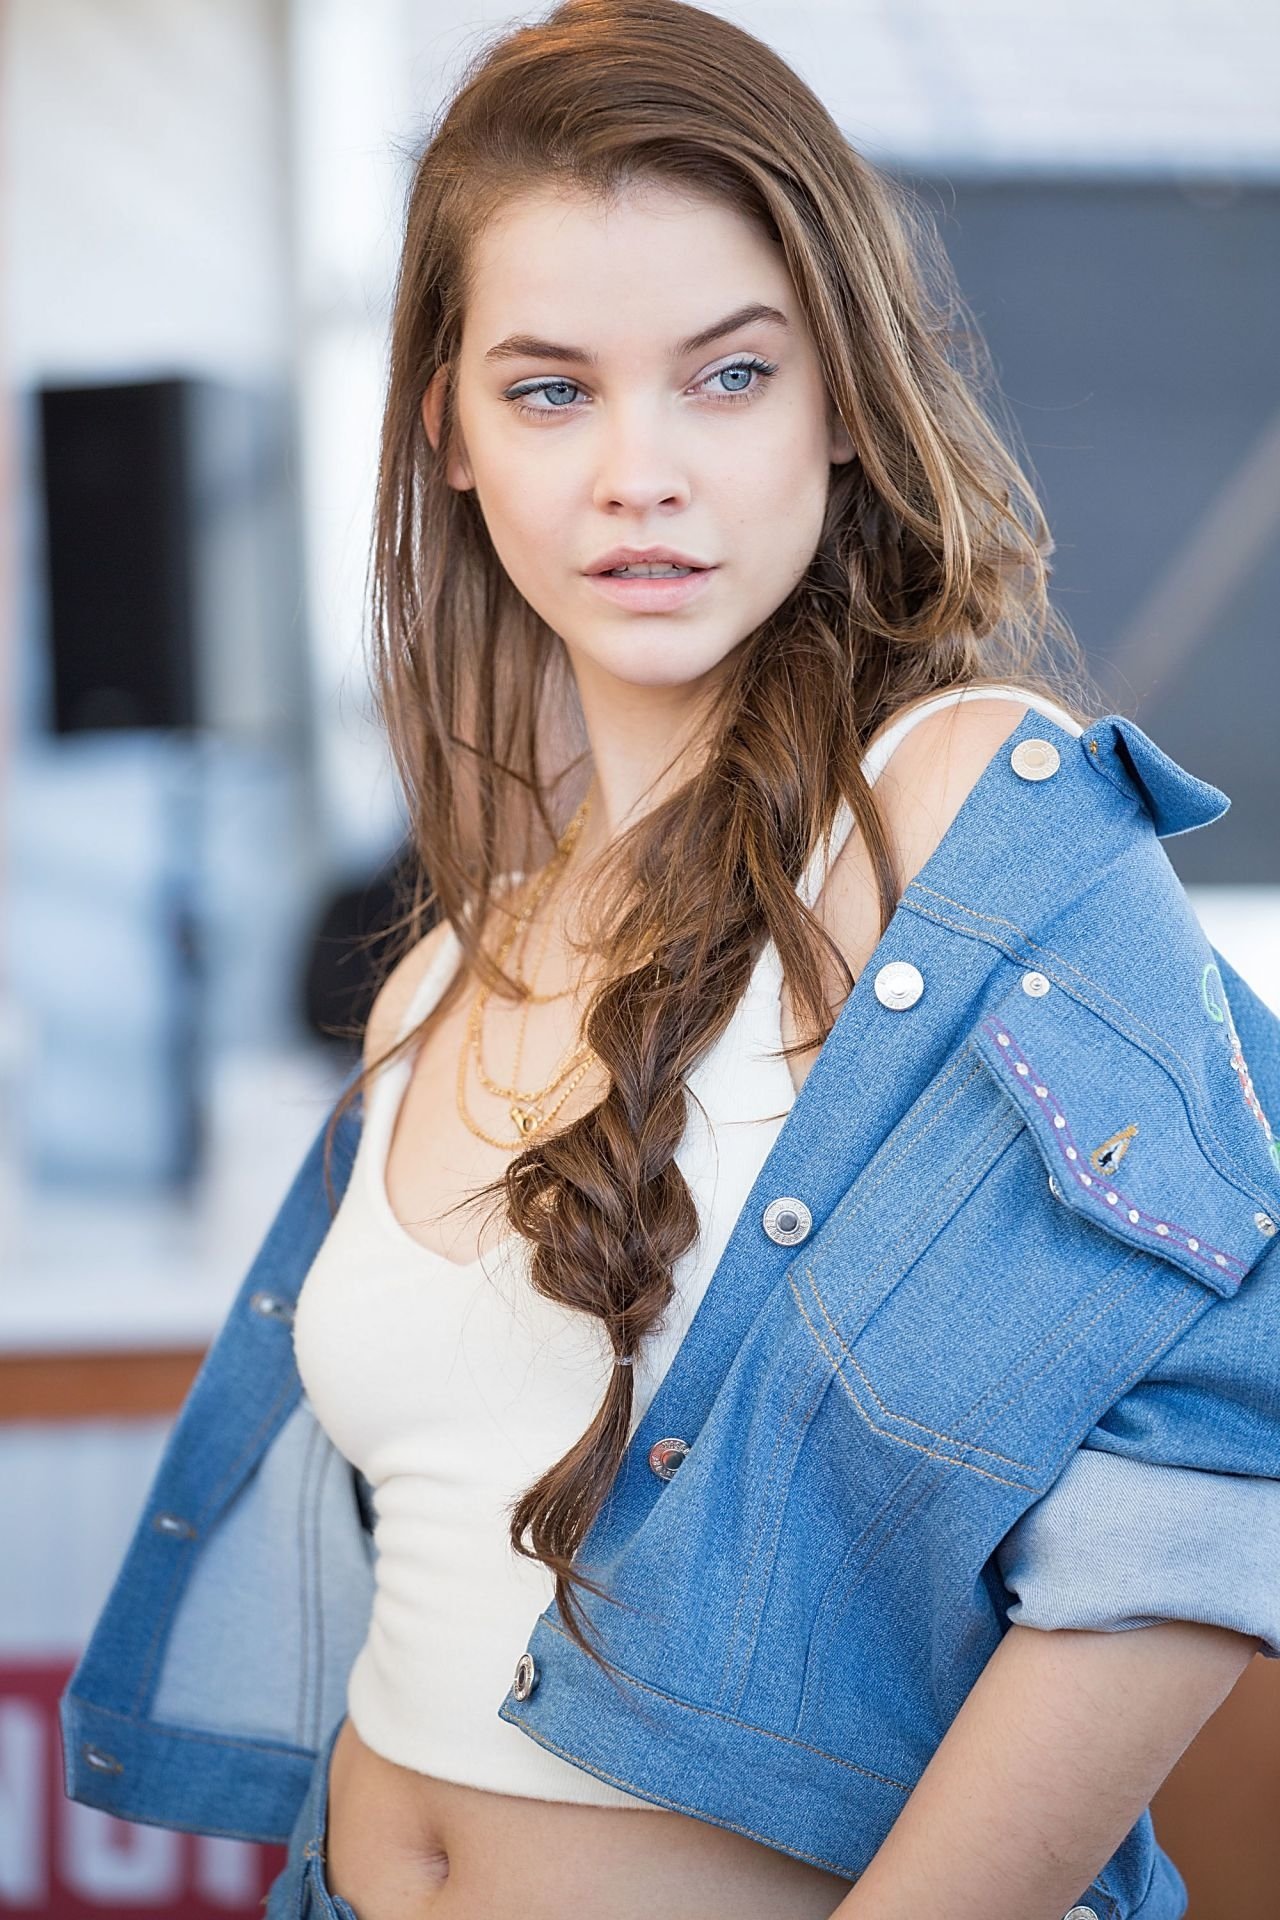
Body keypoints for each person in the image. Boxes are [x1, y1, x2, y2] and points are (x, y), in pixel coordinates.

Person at [60, 3, 1280, 1917]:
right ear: (448, 431)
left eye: (725, 378)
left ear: (845, 405)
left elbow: (1217, 1464)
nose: (640, 472)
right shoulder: (446, 962)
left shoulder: (960, 816)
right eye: (552, 389)